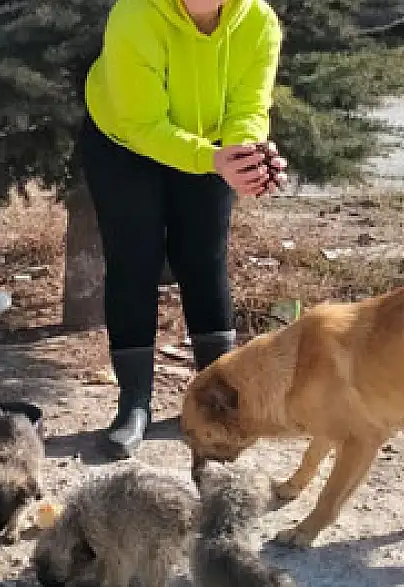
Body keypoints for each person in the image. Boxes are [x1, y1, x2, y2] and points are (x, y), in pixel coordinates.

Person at [78, 0, 288, 459]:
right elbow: (142, 123)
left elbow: (249, 108)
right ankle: (134, 403)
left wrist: (243, 157)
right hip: (124, 144)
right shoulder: (135, 14)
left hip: (207, 143)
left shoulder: (258, 21)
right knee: (134, 263)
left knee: (205, 260)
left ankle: (217, 399)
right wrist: (213, 161)